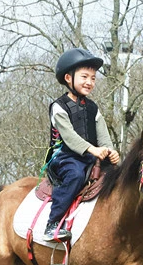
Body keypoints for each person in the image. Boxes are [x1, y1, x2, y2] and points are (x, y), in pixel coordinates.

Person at [44, 48, 120, 241]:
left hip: (90, 158)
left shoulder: (93, 108)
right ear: (68, 78)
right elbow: (69, 137)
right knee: (75, 175)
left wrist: (111, 151)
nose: (89, 82)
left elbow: (103, 135)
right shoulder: (59, 107)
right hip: (66, 157)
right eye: (85, 76)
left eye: (93, 78)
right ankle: (53, 224)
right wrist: (92, 149)